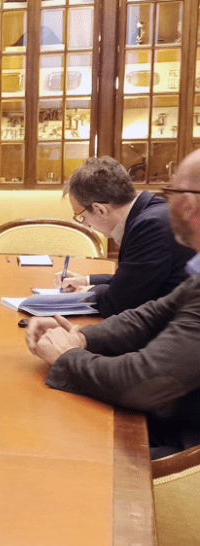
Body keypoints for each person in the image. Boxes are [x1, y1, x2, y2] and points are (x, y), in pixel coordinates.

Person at [27, 148, 200, 459]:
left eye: (172, 191)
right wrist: (80, 336)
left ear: (189, 203)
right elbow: (149, 316)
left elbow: (144, 382)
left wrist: (68, 357)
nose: (166, 201)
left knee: (57, 447)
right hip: (177, 410)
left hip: (187, 446)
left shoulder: (152, 222)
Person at [55, 156, 194, 317]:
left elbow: (116, 305)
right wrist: (86, 281)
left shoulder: (150, 227)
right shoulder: (151, 212)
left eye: (81, 216)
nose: (85, 224)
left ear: (100, 210)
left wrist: (87, 292)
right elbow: (132, 280)